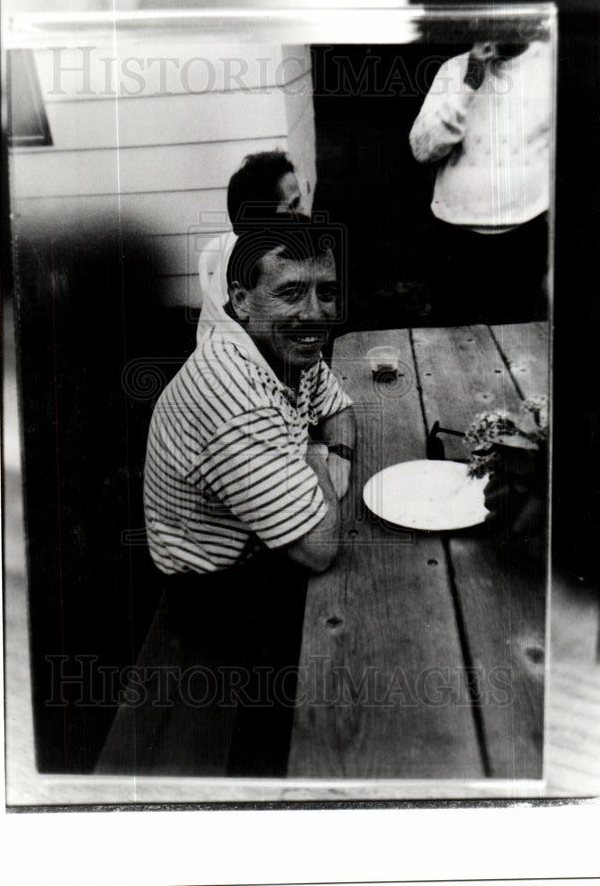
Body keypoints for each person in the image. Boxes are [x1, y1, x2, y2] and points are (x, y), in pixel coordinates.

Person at [143, 219, 354, 775]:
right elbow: (317, 548)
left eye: (325, 291)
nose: (316, 313)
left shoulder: (284, 346)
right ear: (240, 300)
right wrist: (316, 459)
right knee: (357, 649)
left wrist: (338, 460)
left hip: (263, 547)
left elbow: (342, 409)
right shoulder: (231, 387)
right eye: (291, 292)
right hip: (216, 589)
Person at [409, 38, 552, 324]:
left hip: (525, 234)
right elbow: (422, 149)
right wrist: (468, 85)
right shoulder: (456, 69)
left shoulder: (551, 65)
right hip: (455, 236)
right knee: (452, 340)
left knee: (515, 342)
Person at [196, 150, 303, 345]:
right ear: (264, 218)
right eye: (293, 205)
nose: (303, 213)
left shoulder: (269, 249)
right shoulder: (247, 268)